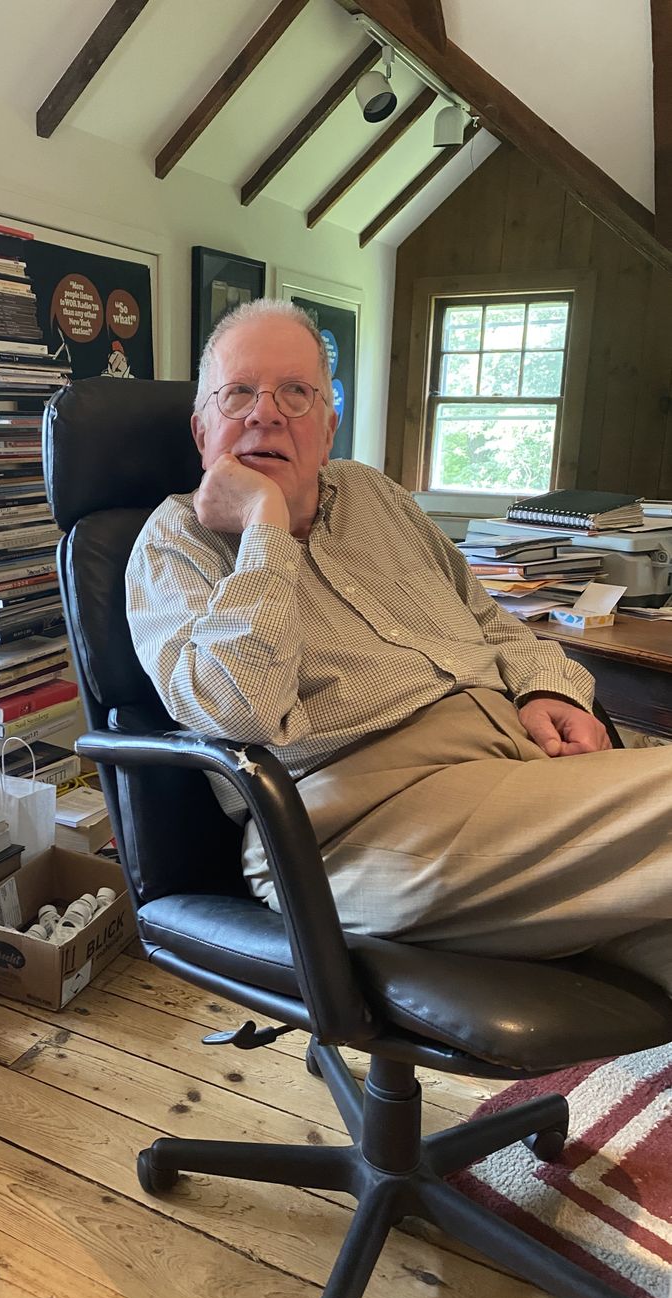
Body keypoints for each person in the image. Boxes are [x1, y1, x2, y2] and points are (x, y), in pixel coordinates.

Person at [126, 298, 672, 993]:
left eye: (296, 393)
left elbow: (491, 620)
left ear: (328, 429)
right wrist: (263, 524)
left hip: (519, 768)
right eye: (238, 393)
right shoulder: (172, 544)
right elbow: (242, 711)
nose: (265, 413)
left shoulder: (374, 495)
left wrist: (545, 688)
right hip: (357, 824)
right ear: (202, 427)